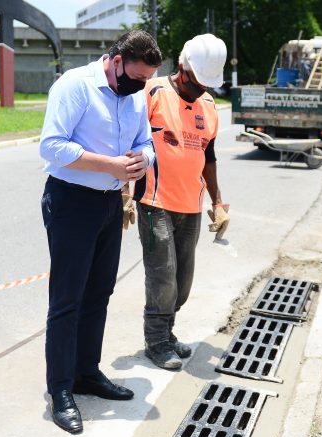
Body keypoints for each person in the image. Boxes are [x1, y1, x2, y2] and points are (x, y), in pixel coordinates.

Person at [39, 30, 162, 434]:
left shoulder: (135, 95)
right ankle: (60, 389)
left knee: (99, 294)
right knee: (67, 300)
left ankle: (86, 372)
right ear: (115, 59)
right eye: (136, 77)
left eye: (146, 80)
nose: (141, 85)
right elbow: (52, 146)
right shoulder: (76, 86)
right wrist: (108, 164)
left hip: (111, 204)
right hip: (72, 201)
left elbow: (148, 143)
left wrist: (141, 159)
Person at [129, 33, 229, 370]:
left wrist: (218, 201)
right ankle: (155, 341)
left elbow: (209, 156)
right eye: (198, 81)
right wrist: (124, 193)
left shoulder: (210, 106)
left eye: (207, 83)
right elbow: (126, 141)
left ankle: (168, 333)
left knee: (183, 281)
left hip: (192, 204)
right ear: (183, 68)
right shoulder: (152, 93)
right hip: (154, 201)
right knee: (163, 276)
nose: (202, 89)